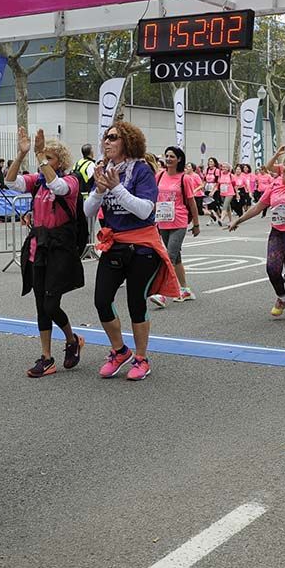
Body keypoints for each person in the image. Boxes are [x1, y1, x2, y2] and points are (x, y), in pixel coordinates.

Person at [83, 122, 179, 381]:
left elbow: (145, 210)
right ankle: (119, 351)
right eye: (105, 137)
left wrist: (116, 188)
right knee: (102, 300)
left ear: (127, 141)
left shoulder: (142, 170)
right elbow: (87, 212)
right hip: (114, 245)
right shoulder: (105, 170)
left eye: (113, 137)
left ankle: (141, 358)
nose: (107, 142)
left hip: (142, 247)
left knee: (136, 302)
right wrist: (101, 191)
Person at [6, 127, 85, 377]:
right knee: (41, 306)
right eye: (44, 157)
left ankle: (72, 340)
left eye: (49, 158)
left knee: (51, 305)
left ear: (60, 161)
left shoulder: (70, 181)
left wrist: (39, 155)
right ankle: (47, 357)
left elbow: (58, 187)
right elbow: (10, 182)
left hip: (60, 251)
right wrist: (21, 155)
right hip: (37, 249)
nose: (44, 162)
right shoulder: (37, 182)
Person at [228, 148, 285, 319]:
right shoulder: (274, 185)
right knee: (272, 268)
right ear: (281, 167)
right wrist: (238, 220)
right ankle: (282, 298)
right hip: (278, 233)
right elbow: (258, 207)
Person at [149, 146, 200, 308]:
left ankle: (162, 294)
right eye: (167, 156)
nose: (169, 158)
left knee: (168, 257)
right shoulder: (160, 175)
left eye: (172, 156)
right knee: (176, 257)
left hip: (179, 221)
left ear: (179, 159)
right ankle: (184, 289)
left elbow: (191, 202)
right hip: (162, 221)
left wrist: (196, 224)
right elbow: (154, 197)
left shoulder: (185, 178)